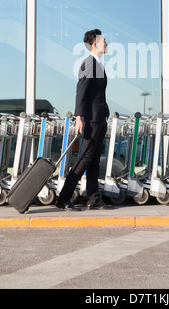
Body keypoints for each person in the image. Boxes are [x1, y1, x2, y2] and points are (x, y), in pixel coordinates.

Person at [56, 29, 114, 211]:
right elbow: (81, 90)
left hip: (99, 118)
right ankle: (63, 198)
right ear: (95, 44)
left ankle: (93, 199)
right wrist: (79, 117)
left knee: (94, 160)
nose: (107, 44)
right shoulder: (89, 64)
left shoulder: (97, 64)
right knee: (84, 158)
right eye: (104, 41)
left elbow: (97, 93)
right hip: (90, 120)